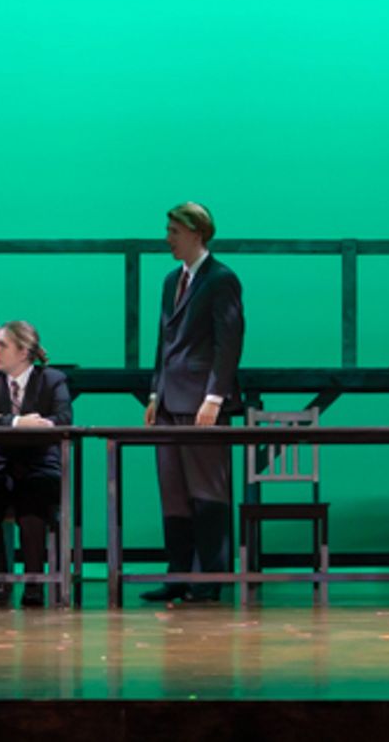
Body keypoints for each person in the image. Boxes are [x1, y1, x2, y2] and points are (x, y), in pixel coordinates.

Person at [141, 202, 245, 604]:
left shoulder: (221, 280)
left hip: (202, 400)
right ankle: (179, 574)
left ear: (195, 233)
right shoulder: (171, 280)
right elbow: (163, 341)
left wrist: (214, 397)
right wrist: (154, 391)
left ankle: (209, 577)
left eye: (173, 231)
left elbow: (229, 342)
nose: (168, 238)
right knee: (174, 492)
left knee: (207, 491)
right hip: (169, 399)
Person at [0, 322, 73, 608]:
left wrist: (38, 423)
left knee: (32, 512)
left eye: (2, 345)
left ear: (24, 352)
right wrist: (16, 422)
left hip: (40, 465)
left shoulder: (52, 380)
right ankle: (0, 580)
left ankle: (34, 583)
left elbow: (64, 418)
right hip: (2, 465)